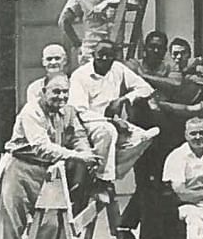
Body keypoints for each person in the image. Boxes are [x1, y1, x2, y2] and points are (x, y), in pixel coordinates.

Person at [0, 75, 100, 239]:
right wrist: (79, 157)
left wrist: (84, 151)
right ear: (43, 91)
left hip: (48, 171)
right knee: (14, 224)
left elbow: (79, 136)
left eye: (65, 91)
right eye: (56, 92)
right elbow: (42, 147)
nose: (61, 96)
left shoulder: (69, 111)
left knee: (50, 223)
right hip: (21, 167)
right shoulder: (31, 111)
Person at [67, 39, 159, 191]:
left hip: (111, 120)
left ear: (114, 57)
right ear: (93, 55)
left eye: (108, 56)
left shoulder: (117, 68)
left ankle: (106, 172)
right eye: (100, 55)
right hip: (88, 122)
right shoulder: (80, 75)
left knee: (144, 137)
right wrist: (112, 121)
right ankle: (103, 180)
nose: (104, 59)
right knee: (107, 131)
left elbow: (146, 88)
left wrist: (124, 99)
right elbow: (80, 111)